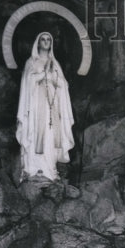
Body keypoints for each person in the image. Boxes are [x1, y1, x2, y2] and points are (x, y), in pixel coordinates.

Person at [16, 31, 74, 181]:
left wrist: (53, 78)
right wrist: (43, 75)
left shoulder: (55, 63)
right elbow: (28, 82)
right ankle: (33, 169)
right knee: (36, 132)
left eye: (49, 39)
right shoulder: (31, 62)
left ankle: (50, 169)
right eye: (43, 39)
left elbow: (63, 84)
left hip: (52, 104)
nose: (46, 42)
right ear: (38, 43)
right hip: (36, 105)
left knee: (51, 134)